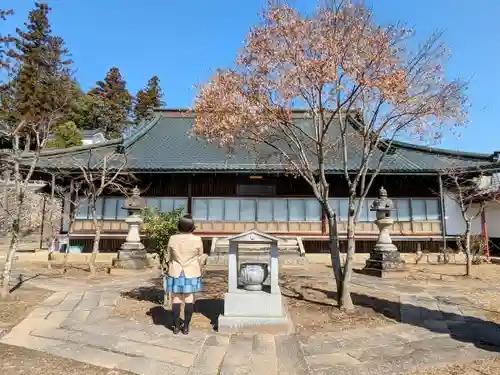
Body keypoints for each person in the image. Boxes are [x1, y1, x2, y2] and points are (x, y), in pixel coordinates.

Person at [164, 214, 205, 335]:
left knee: (176, 298)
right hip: (191, 271)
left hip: (176, 270)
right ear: (192, 227)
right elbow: (200, 256)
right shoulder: (197, 239)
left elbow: (169, 255)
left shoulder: (172, 238)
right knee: (189, 298)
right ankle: (186, 327)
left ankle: (176, 326)